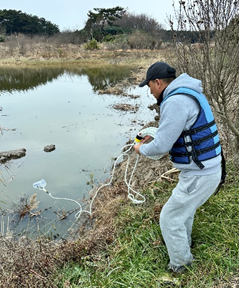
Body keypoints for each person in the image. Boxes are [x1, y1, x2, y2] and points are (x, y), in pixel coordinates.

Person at [134, 61, 223, 273]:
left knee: (170, 218)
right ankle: (183, 245)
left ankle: (180, 266)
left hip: (199, 174)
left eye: (149, 87)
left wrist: (140, 150)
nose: (151, 93)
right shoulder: (189, 93)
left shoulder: (175, 102)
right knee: (184, 211)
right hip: (205, 169)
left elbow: (162, 145)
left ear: (158, 82)